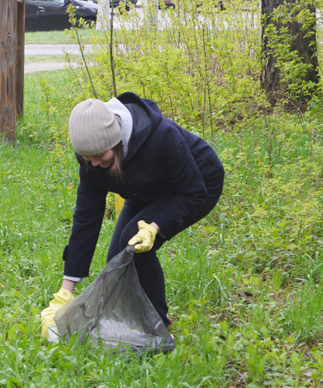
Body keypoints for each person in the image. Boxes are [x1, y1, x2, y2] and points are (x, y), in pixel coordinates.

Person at [40, 92, 225, 342]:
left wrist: (155, 227)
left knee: (134, 244)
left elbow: (192, 192)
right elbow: (86, 219)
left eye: (100, 156)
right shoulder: (92, 160)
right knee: (118, 258)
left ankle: (157, 329)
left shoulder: (161, 136)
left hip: (197, 183)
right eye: (87, 158)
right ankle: (131, 319)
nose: (94, 164)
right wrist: (65, 291)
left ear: (116, 143)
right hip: (145, 186)